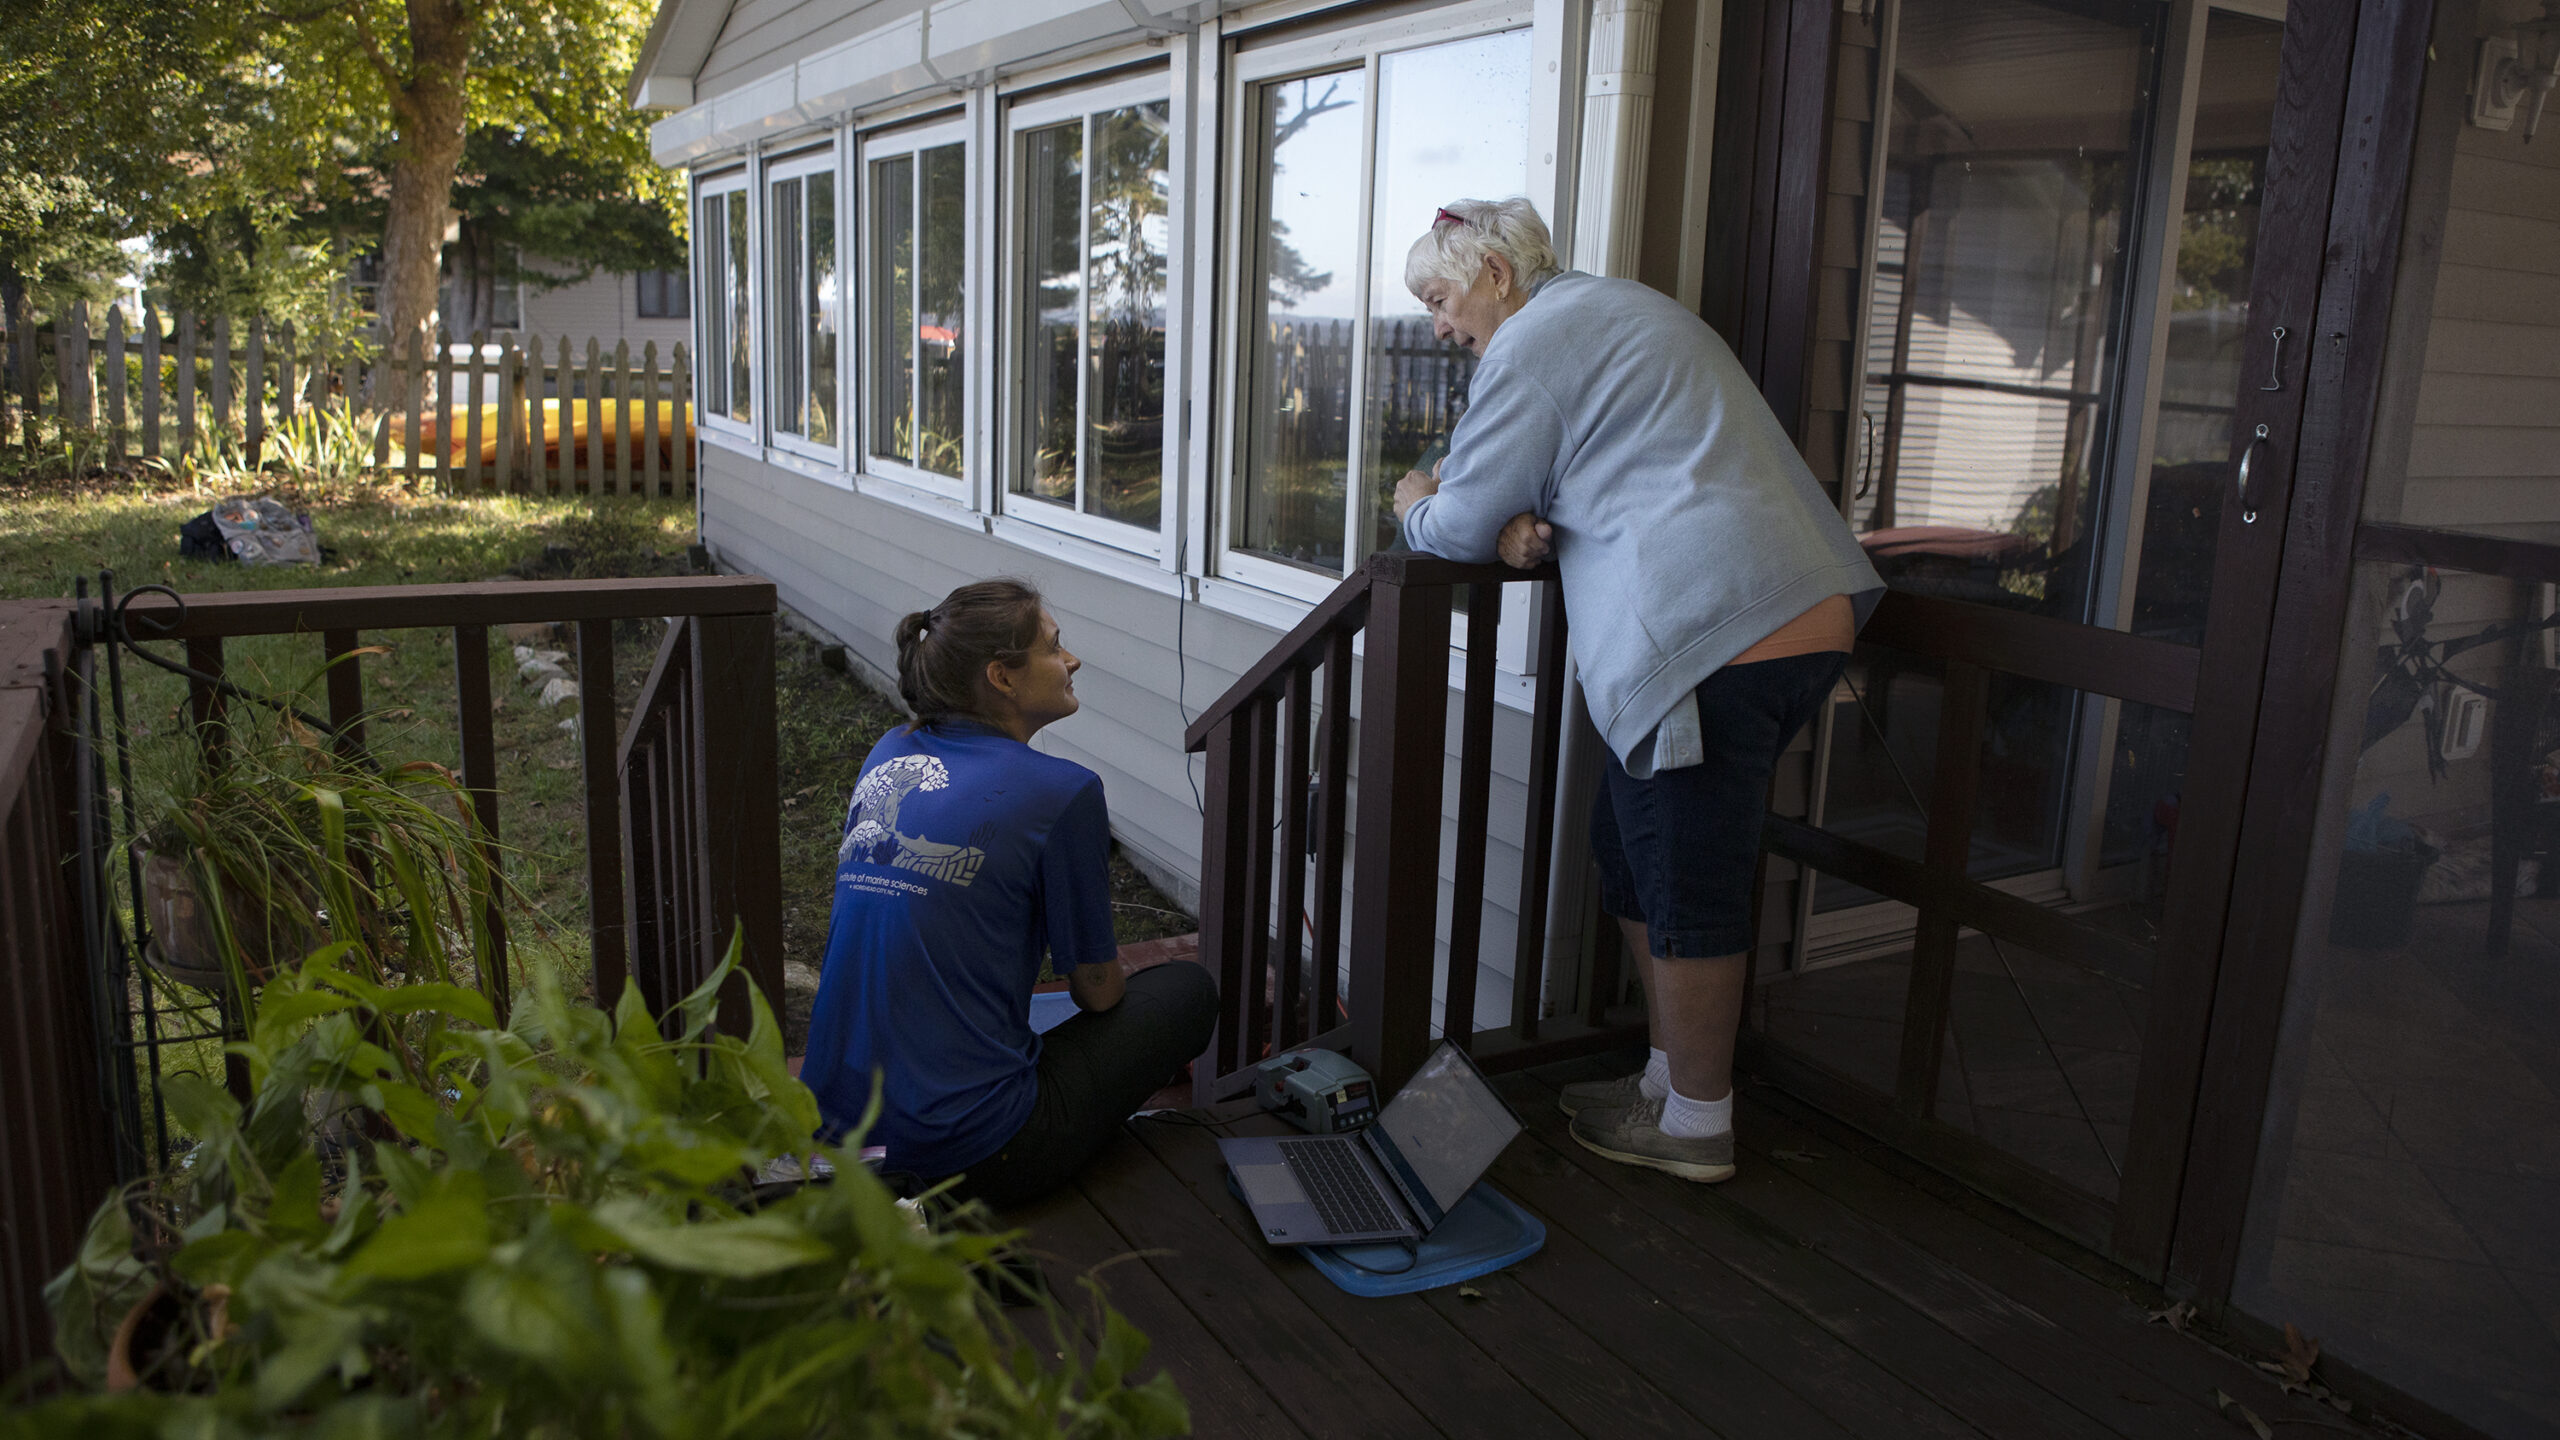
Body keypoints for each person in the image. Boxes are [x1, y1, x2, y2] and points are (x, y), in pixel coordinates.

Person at [1392, 198, 1883, 1183]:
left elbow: (1457, 509)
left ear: (1493, 273)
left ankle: (1698, 1123)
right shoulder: (1623, 310)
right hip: (1792, 613)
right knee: (1629, 849)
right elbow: (1551, 483)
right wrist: (1510, 523)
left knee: (1684, 872)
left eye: (1439, 298)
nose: (1436, 326)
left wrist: (1415, 505)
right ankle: (1664, 1081)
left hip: (1716, 635)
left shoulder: (1532, 343)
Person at [798, 579, 1219, 1207]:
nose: (1071, 661)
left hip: (837, 1135)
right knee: (1187, 990)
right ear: (1003, 676)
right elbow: (1098, 993)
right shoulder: (1063, 791)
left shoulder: (890, 752)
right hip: (970, 1154)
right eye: (1054, 648)